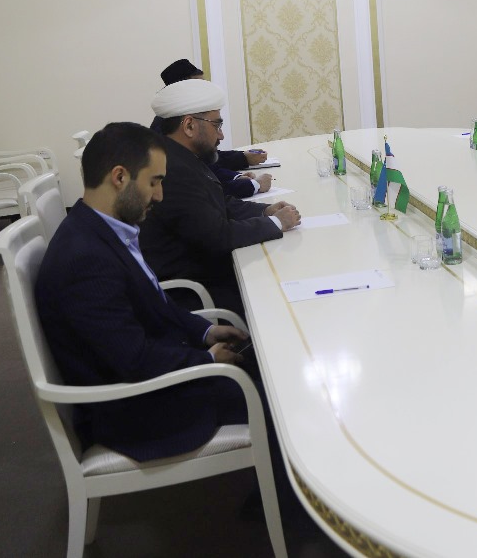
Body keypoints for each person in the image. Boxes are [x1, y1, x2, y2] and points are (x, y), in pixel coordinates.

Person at [35, 121, 252, 461]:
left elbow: (152, 302)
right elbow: (133, 359)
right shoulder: (84, 260)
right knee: (277, 396)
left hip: (156, 376)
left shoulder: (102, 228)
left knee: (263, 364)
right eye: (154, 182)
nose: (160, 195)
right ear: (120, 177)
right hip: (139, 412)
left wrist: (205, 331)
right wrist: (207, 360)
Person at [140, 79, 300, 315]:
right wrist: (276, 223)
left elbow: (219, 202)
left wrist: (264, 211)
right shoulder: (173, 171)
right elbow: (218, 236)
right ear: (189, 126)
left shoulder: (179, 156)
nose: (222, 135)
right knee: (281, 297)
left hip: (207, 273)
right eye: (217, 125)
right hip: (198, 291)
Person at [154, 58, 271, 199]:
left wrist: (239, 168)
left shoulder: (183, 124)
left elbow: (207, 163)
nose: (221, 135)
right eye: (200, 87)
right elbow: (203, 190)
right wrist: (253, 185)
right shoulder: (167, 133)